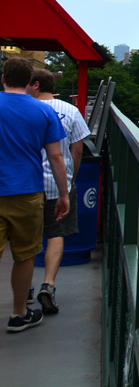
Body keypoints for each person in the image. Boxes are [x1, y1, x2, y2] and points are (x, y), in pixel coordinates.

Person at [0, 58, 68, 333]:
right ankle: (18, 314)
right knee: (25, 255)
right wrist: (64, 194)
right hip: (27, 192)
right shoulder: (43, 112)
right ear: (31, 82)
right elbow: (56, 156)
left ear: (3, 78)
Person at [32, 67, 89, 316]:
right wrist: (71, 178)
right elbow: (78, 149)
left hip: (28, 185)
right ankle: (49, 284)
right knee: (56, 233)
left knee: (28, 236)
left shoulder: (26, 109)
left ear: (34, 85)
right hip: (59, 184)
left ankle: (24, 287)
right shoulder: (71, 110)